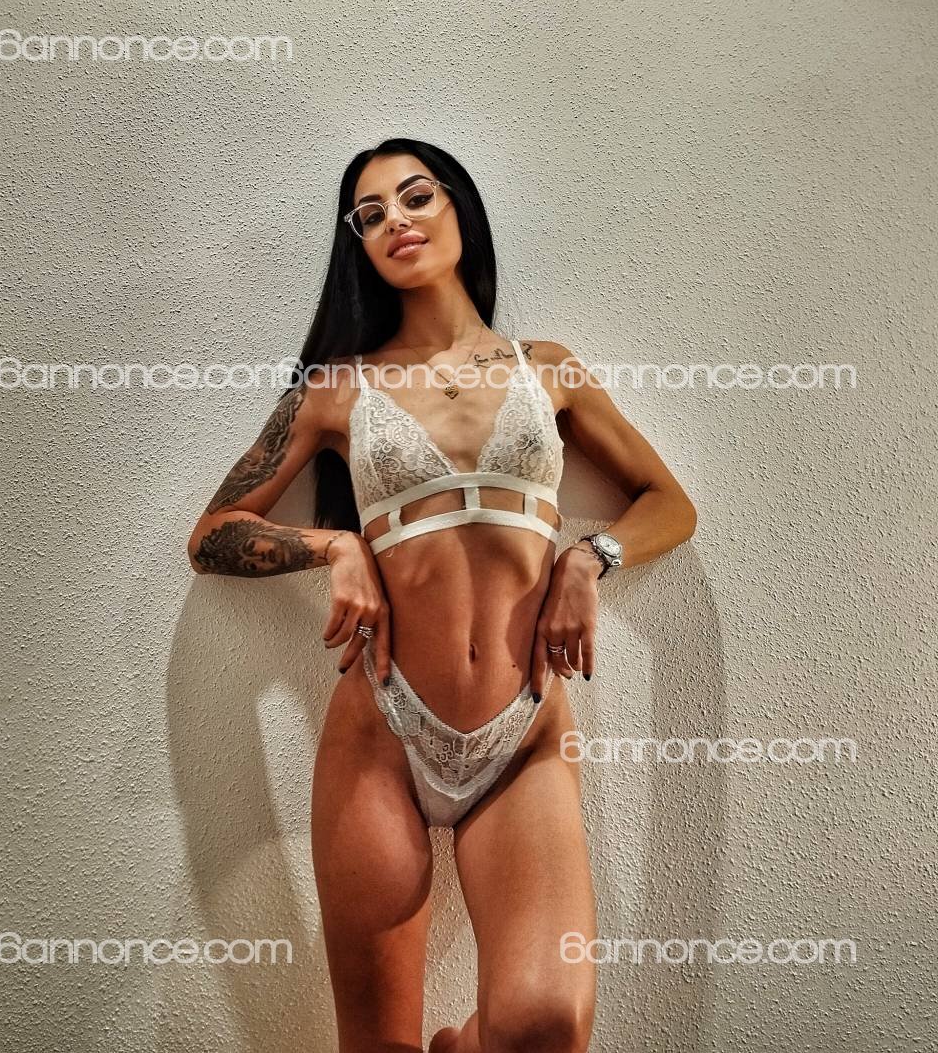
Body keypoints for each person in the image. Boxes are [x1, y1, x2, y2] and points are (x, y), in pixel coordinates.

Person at [187, 137, 698, 1053]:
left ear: (458, 205)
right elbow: (213, 533)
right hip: (382, 731)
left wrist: (589, 559)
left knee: (545, 1026)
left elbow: (671, 502)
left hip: (523, 735)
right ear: (360, 245)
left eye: (415, 196)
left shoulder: (548, 369)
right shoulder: (337, 389)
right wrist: (334, 544)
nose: (396, 220)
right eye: (370, 214)